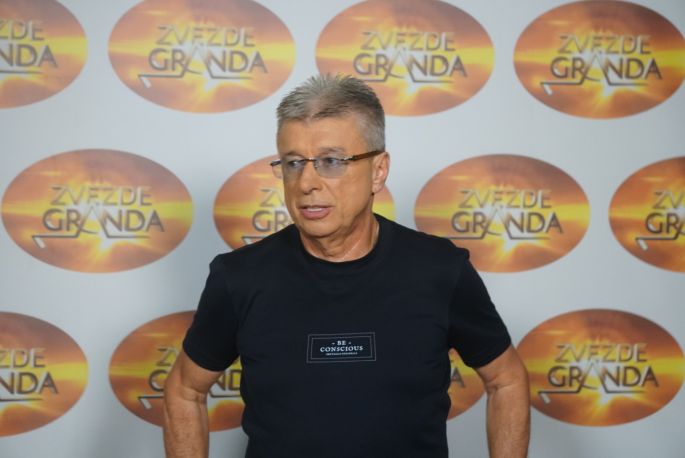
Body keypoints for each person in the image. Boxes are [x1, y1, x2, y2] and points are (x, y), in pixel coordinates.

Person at [163, 74, 530, 458]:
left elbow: (506, 380)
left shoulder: (441, 270)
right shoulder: (239, 277)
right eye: (293, 163)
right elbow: (185, 390)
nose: (306, 182)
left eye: (332, 161)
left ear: (378, 171)